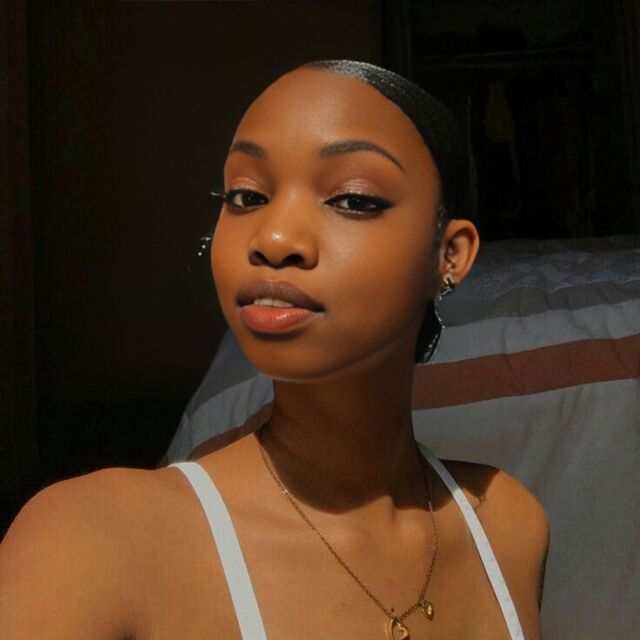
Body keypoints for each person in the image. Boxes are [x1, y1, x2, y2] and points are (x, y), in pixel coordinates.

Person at [0, 60, 548, 639]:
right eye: (246, 196)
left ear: (450, 254)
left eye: (353, 199)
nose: (274, 238)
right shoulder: (92, 542)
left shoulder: (509, 527)